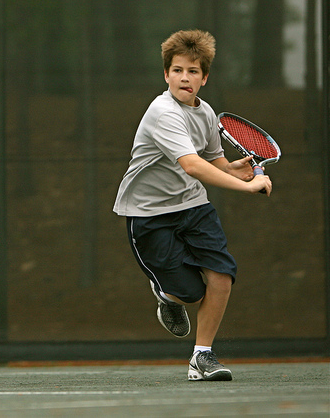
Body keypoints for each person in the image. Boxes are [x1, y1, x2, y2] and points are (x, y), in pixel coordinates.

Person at [113, 30, 272, 381]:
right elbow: (192, 165)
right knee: (190, 292)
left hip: (193, 206)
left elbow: (212, 160)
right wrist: (248, 189)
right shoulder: (162, 113)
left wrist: (234, 170)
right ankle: (167, 295)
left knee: (222, 275)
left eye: (193, 71)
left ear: (205, 77)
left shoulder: (206, 113)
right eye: (178, 70)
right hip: (149, 215)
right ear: (166, 74)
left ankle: (202, 357)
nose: (185, 78)